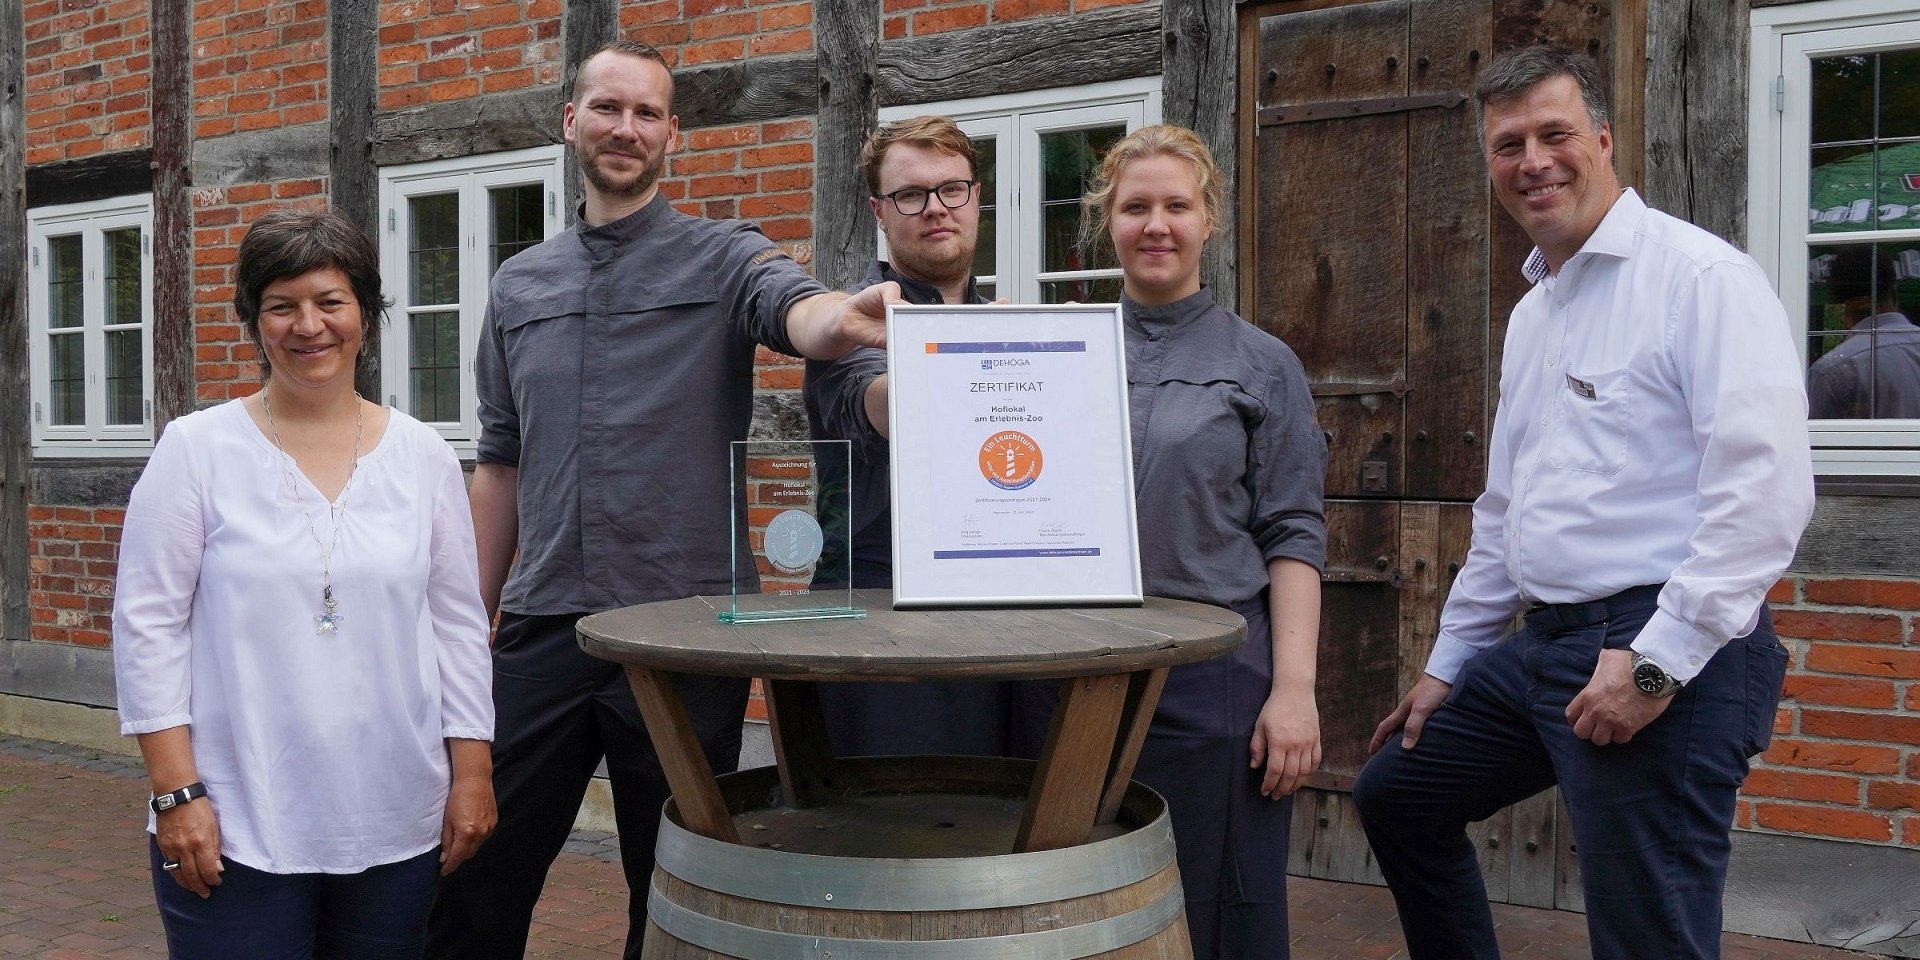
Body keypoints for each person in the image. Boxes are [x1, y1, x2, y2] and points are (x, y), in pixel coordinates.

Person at [424, 39, 893, 960]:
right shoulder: (521, 286)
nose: (625, 128)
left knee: (674, 889)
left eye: (647, 113)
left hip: (687, 632)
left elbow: (791, 306)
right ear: (571, 122)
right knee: (477, 872)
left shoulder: (724, 257)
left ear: (673, 133)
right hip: (543, 626)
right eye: (607, 108)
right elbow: (501, 462)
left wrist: (838, 320)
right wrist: (466, 620)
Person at [1351, 45, 1815, 960]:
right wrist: (1449, 665)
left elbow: (1765, 495)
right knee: (1398, 795)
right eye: (1507, 143)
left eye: (1555, 133)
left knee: (1648, 935)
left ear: (1602, 139)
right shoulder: (1537, 309)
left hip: (1663, 642)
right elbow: (1505, 510)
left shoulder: (1699, 280)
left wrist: (1655, 666)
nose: (1533, 161)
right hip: (1547, 643)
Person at [112, 208, 497, 957]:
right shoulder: (197, 452)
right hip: (237, 819)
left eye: (330, 301)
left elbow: (457, 624)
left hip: (395, 818)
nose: (309, 325)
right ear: (254, 322)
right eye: (282, 305)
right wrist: (175, 794)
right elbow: (146, 626)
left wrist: (473, 773)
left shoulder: (424, 457)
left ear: (366, 312)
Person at [1063, 123, 1328, 959]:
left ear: (1208, 219)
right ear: (1108, 220)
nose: (1156, 225)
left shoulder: (1261, 363)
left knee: (1216, 900)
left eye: (1177, 205)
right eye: (1135, 206)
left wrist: (1294, 691)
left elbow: (1294, 531)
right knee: (1072, 897)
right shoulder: (1057, 353)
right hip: (1069, 673)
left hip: (1212, 684)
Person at [805, 115, 1020, 757]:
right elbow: (882, 404)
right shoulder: (852, 323)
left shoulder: (1003, 322)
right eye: (910, 195)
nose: (935, 209)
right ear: (880, 210)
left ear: (977, 196)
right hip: (875, 619)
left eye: (952, 188)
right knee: (888, 839)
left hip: (1003, 613)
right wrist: (981, 354)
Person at [1807, 247, 1920, 419]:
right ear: (1894, 291)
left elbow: (1811, 441)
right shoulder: (1834, 370)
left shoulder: (1831, 371)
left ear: (1835, 302)